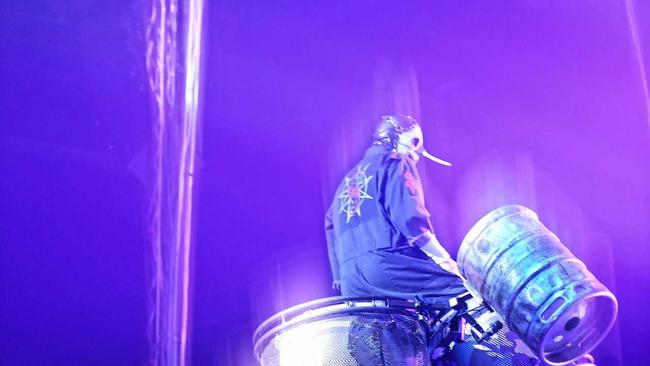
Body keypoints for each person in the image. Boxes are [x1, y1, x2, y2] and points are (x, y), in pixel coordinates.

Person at [324, 114, 466, 301]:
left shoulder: (345, 182)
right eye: (414, 142)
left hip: (351, 281)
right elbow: (410, 219)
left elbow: (329, 223)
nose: (416, 154)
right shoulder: (396, 161)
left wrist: (340, 277)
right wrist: (445, 261)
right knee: (464, 292)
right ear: (396, 137)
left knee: (382, 327)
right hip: (386, 265)